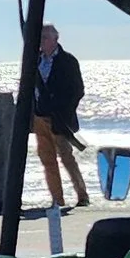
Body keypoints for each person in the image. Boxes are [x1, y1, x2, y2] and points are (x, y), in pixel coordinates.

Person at [31, 20, 89, 209]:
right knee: (47, 160)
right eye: (40, 37)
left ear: (56, 39)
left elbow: (78, 90)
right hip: (40, 117)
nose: (41, 41)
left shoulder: (68, 60)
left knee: (67, 158)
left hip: (59, 118)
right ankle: (57, 199)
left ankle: (82, 195)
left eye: (45, 37)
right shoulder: (35, 61)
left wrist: (64, 110)